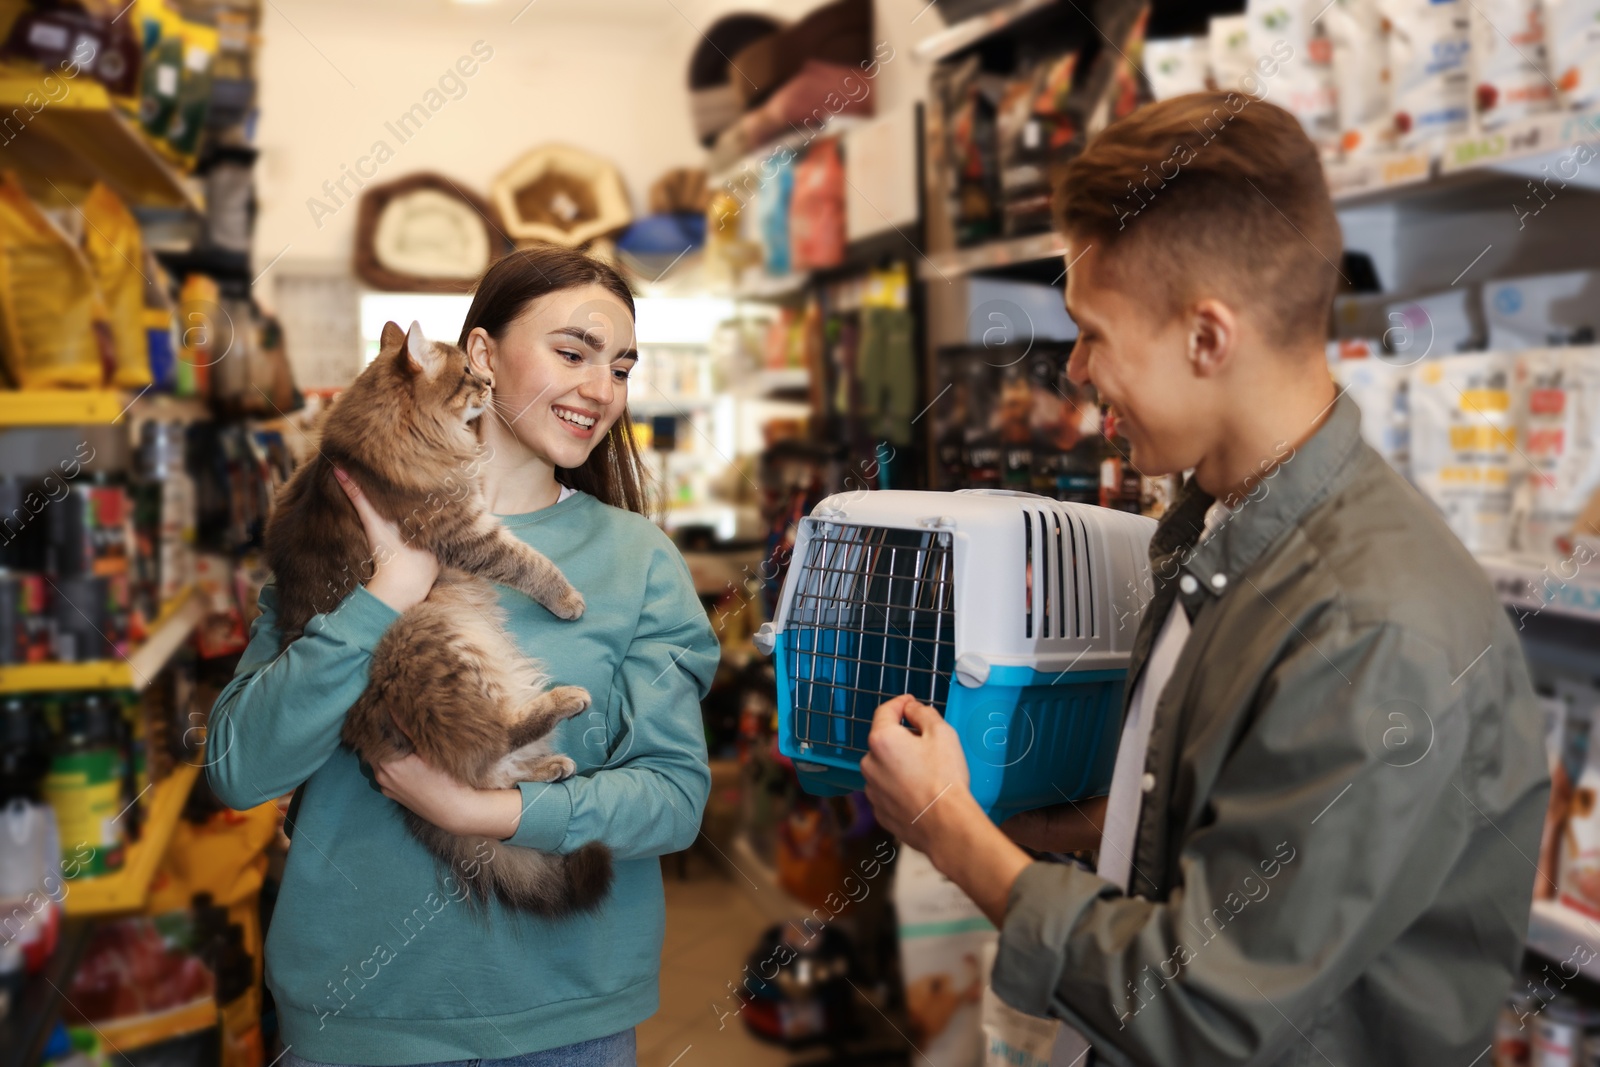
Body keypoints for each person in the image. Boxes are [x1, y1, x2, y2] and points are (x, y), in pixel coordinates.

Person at [860, 93, 1549, 1064]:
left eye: (1094, 331)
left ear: (1206, 337)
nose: (1078, 369)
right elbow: (1243, 823)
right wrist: (1085, 822)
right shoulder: (1220, 536)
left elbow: (1202, 1002)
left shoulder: (1370, 629)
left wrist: (951, 834)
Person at [207, 247, 718, 1066]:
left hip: (564, 1025)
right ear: (479, 354)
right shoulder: (340, 516)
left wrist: (491, 813)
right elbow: (239, 766)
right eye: (573, 351)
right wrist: (387, 592)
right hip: (357, 1019)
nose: (602, 388)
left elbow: (674, 797)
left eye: (621, 367)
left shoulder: (638, 558)